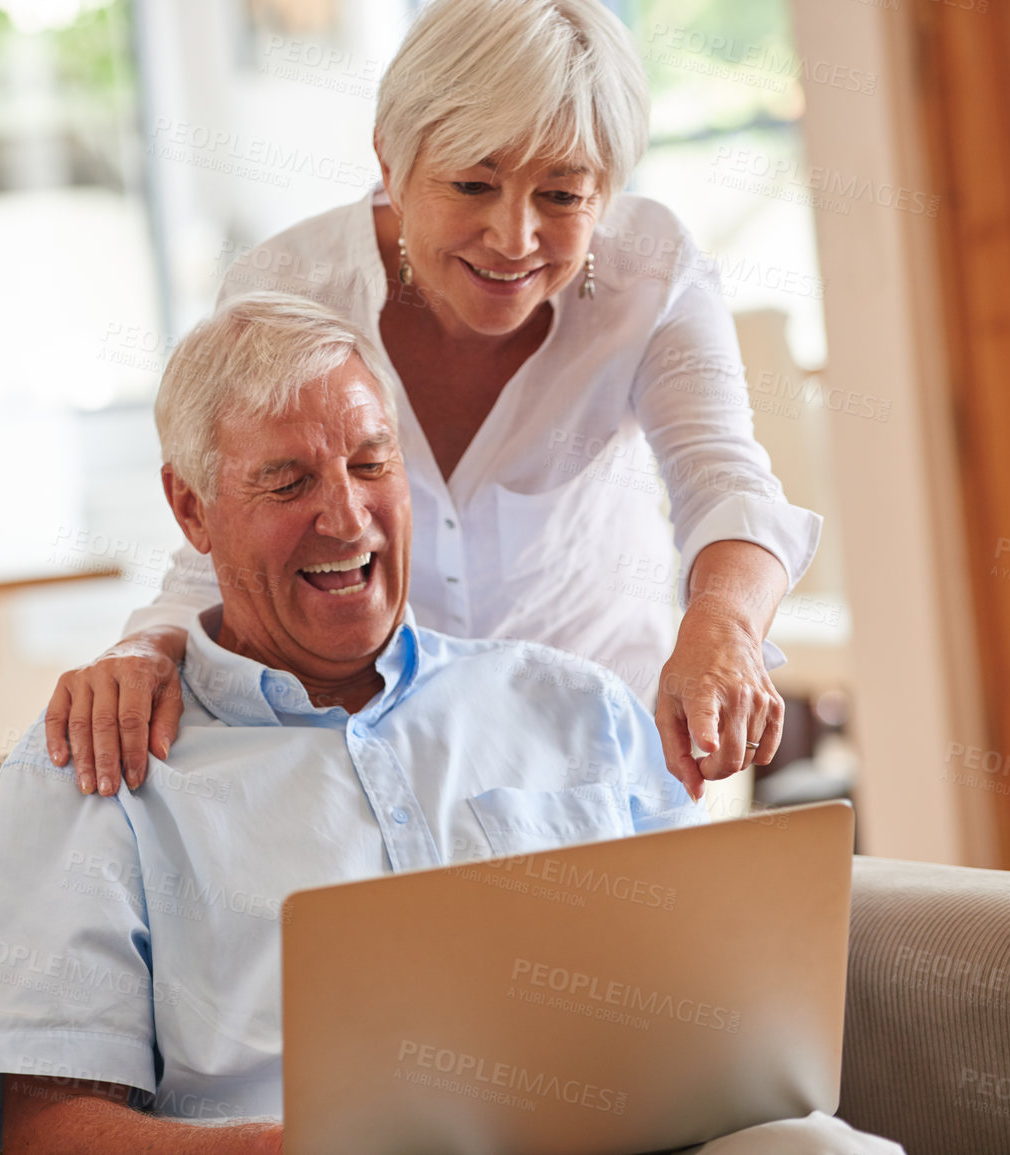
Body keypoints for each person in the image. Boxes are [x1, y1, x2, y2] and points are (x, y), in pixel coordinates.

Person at [0, 294, 898, 1154]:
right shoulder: (97, 759)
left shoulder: (577, 706)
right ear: (191, 509)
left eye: (370, 463)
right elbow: (52, 1126)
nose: (347, 517)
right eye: (286, 482)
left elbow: (709, 1015)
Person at [45, 0, 821, 804]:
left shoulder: (650, 271)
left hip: (606, 757)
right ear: (391, 162)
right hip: (386, 766)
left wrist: (722, 627)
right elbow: (231, 534)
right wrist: (140, 652)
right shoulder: (290, 290)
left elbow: (727, 485)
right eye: (471, 183)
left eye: (561, 196)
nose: (513, 237)